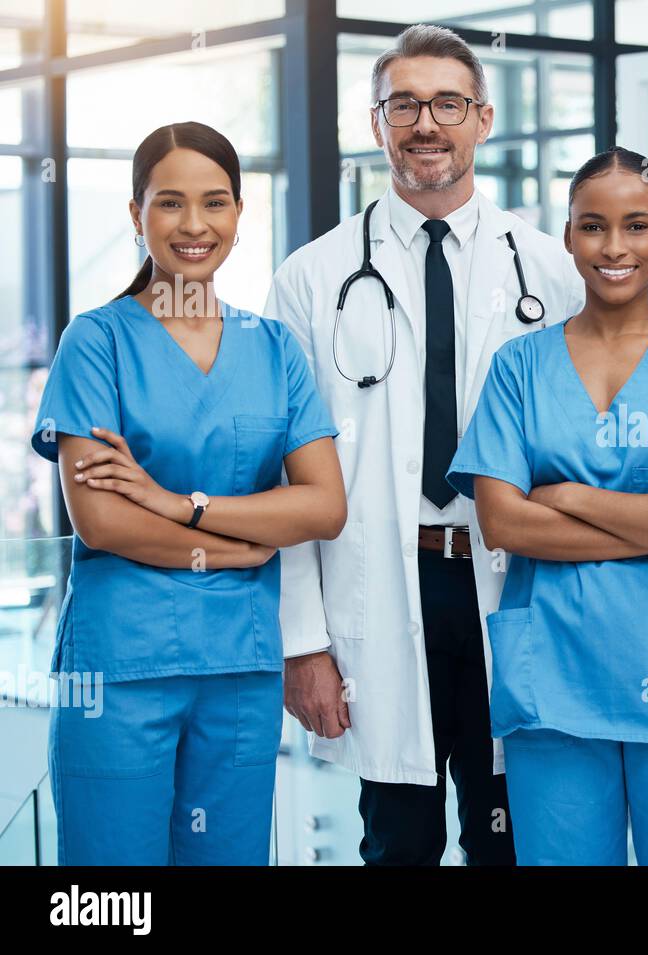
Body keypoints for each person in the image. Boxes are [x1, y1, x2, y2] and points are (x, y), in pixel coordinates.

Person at [263, 24, 585, 866]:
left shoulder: (549, 272)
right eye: (403, 104)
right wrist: (303, 640)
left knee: (507, 831)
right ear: (377, 124)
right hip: (379, 588)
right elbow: (287, 476)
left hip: (512, 586)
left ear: (481, 118)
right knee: (396, 844)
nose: (425, 124)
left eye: (447, 103)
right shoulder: (310, 278)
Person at [446, 147, 648, 865]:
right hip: (557, 684)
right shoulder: (520, 367)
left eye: (636, 225)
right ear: (567, 236)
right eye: (593, 226)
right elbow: (503, 523)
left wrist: (569, 498)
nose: (614, 247)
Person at [30, 121, 344, 865]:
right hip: (120, 671)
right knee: (115, 892)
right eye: (169, 204)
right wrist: (241, 549)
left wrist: (180, 505)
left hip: (240, 672)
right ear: (136, 215)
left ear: (240, 213)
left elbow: (323, 504)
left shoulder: (273, 347)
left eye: (215, 203)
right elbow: (102, 521)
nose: (194, 225)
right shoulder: (96, 341)